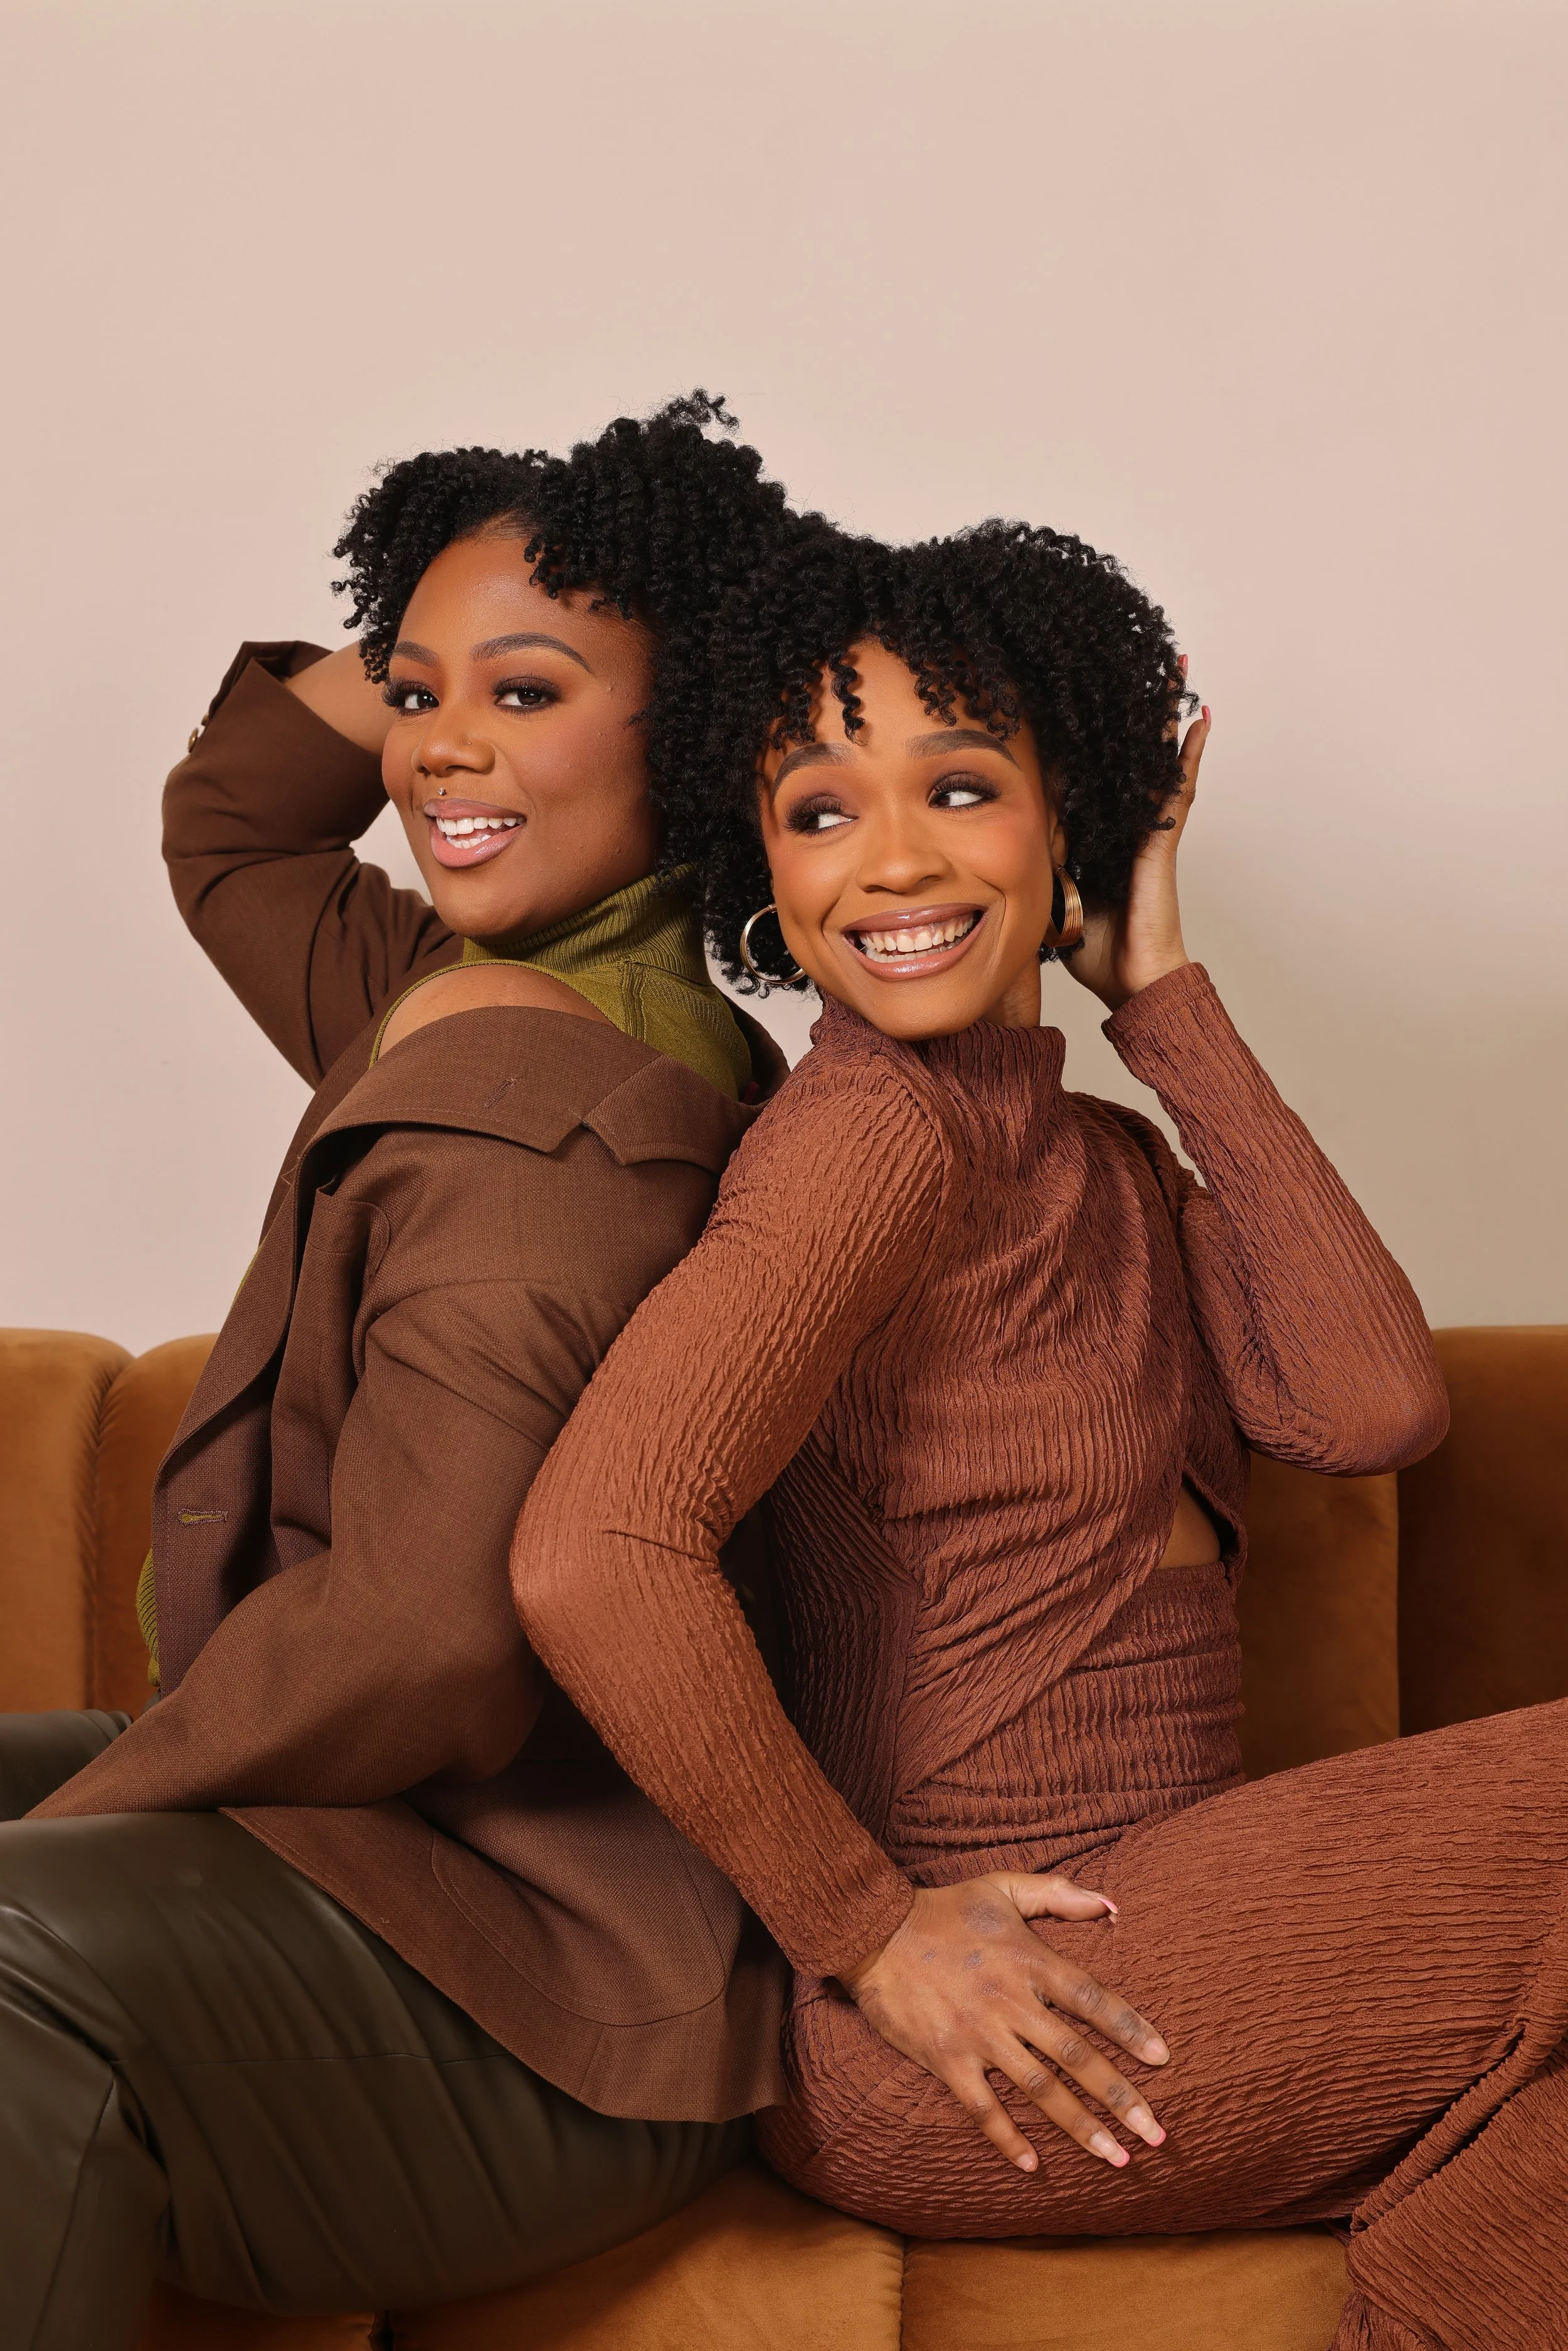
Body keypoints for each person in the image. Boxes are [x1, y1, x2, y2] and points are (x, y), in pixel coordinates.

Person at [509, 522, 1568, 2351]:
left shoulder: (1085, 1155)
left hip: (1152, 1951)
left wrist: (1159, 997)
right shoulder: (872, 1143)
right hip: (967, 2022)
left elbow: (1366, 1406)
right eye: (819, 810)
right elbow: (590, 1549)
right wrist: (868, 1927)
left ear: (1066, 811)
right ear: (759, 860)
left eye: (962, 784)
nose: (894, 860)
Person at [2, 399, 808, 2350]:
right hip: (398, 1854)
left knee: (7, 1940)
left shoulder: (552, 1099)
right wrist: (470, 632)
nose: (438, 744)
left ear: (694, 738)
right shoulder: (461, 993)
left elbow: (430, 1628)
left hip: (545, 1976)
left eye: (529, 690)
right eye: (417, 691)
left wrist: (114, 1801)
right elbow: (236, 818)